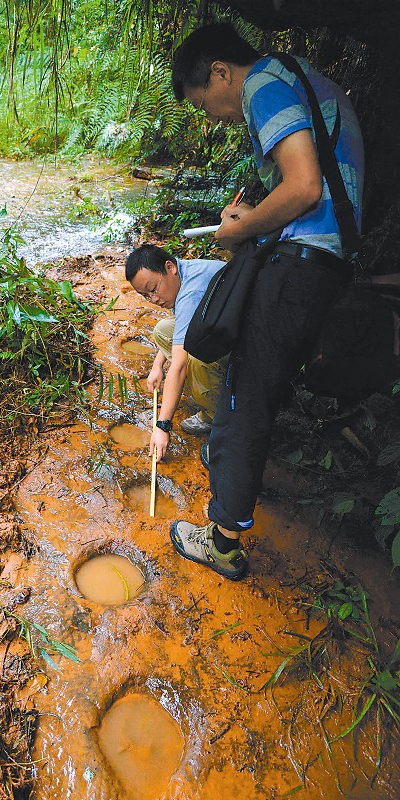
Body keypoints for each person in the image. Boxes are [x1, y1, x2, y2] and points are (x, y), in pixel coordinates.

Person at [168, 22, 364, 581]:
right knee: (257, 388)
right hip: (322, 261)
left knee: (243, 391)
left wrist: (238, 230)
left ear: (221, 73)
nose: (213, 118)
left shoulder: (264, 84)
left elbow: (303, 187)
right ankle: (231, 475)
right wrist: (250, 222)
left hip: (301, 262)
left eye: (205, 103)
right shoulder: (301, 78)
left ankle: (223, 539)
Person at [126, 244, 229, 452]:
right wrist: (158, 366)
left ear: (169, 267)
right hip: (229, 329)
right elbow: (180, 328)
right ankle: (206, 387)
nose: (153, 299)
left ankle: (219, 416)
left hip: (255, 347)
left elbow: (180, 365)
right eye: (145, 295)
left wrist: (162, 426)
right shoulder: (185, 272)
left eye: (153, 289)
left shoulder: (191, 293)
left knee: (196, 358)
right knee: (163, 329)